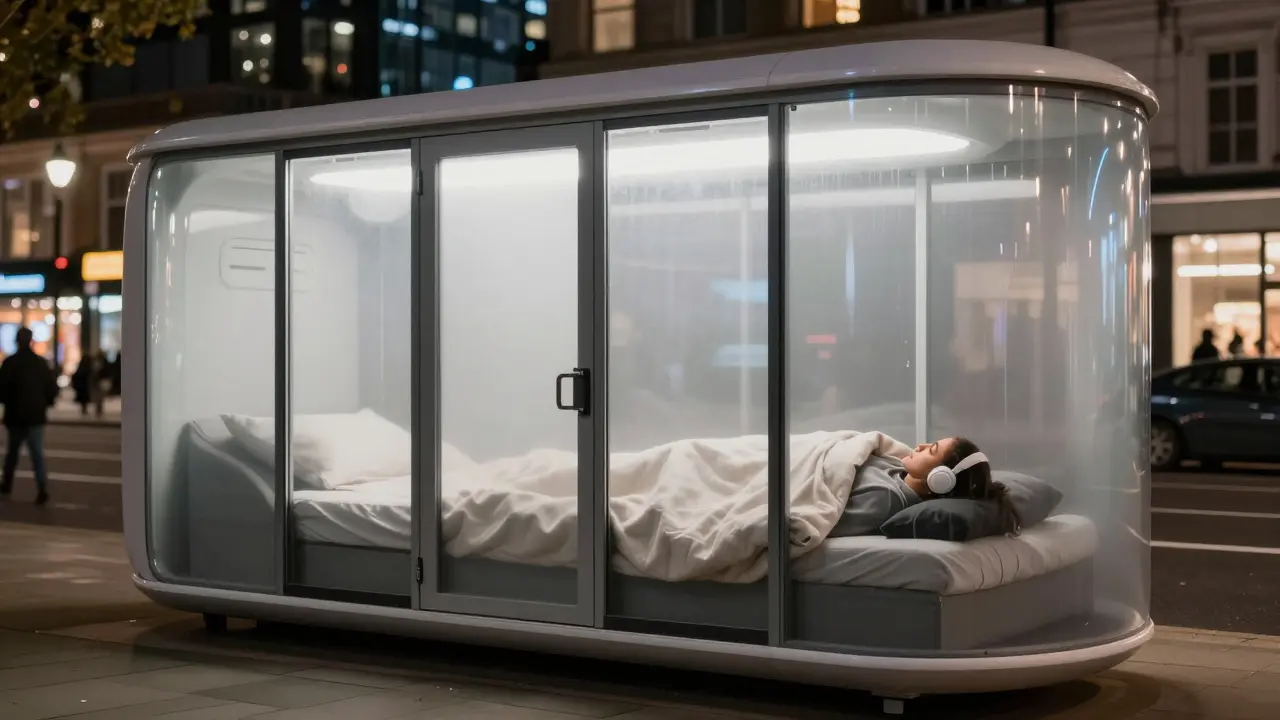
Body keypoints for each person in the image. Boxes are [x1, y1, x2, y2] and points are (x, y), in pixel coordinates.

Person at [828, 436, 1020, 538]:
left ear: (940, 479)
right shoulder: (897, 467)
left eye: (931, 450)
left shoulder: (885, 498)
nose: (920, 446)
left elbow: (827, 522)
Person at [0, 327, 59, 505]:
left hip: (15, 415)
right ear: (31, 340)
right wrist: (45, 403)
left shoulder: (10, 363)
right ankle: (42, 488)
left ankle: (7, 484)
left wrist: (8, 403)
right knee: (37, 454)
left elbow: (2, 389)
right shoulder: (40, 363)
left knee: (12, 453)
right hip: (35, 415)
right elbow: (51, 388)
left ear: (17, 341)